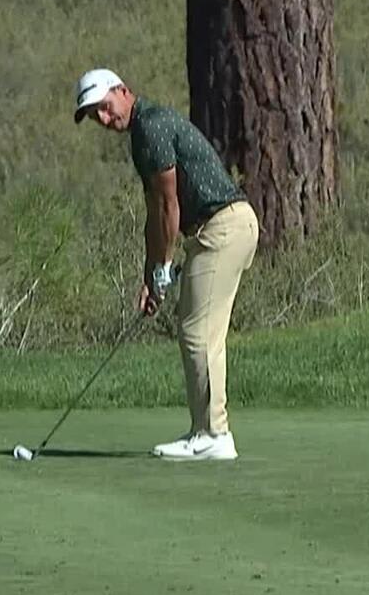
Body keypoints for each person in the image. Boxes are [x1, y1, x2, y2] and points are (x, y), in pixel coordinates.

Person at [73, 68, 259, 461]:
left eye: (105, 107)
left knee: (197, 332)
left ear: (124, 90)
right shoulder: (144, 131)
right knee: (197, 329)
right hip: (223, 228)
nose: (104, 120)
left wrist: (165, 267)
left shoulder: (151, 127)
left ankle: (214, 434)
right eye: (95, 116)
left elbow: (169, 205)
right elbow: (154, 213)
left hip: (222, 227)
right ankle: (206, 430)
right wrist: (150, 276)